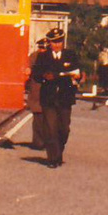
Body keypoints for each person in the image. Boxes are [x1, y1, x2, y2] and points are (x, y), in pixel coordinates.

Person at [29, 27, 82, 168]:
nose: (57, 44)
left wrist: (78, 76)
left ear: (63, 42)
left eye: (59, 41)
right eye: (54, 42)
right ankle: (53, 159)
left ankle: (58, 152)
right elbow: (35, 74)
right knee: (51, 129)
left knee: (64, 129)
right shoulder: (43, 56)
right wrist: (44, 76)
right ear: (50, 43)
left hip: (65, 98)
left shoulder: (71, 55)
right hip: (49, 98)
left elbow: (79, 72)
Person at [25, 38, 47, 150]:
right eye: (41, 47)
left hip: (49, 92)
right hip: (37, 91)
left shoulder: (51, 57)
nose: (42, 49)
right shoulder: (34, 56)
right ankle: (38, 142)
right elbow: (28, 69)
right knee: (38, 117)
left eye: (44, 47)